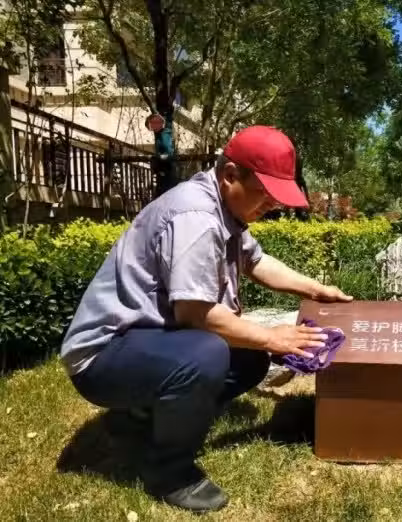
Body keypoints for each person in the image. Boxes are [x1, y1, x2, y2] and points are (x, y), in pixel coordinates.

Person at [60, 125, 353, 513]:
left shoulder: (224, 208)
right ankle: (169, 472)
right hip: (102, 357)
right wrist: (274, 338)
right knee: (208, 353)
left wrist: (315, 289)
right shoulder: (196, 217)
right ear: (230, 174)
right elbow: (196, 315)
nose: (272, 204)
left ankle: (140, 416)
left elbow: (256, 261)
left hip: (143, 340)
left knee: (248, 358)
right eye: (265, 192)